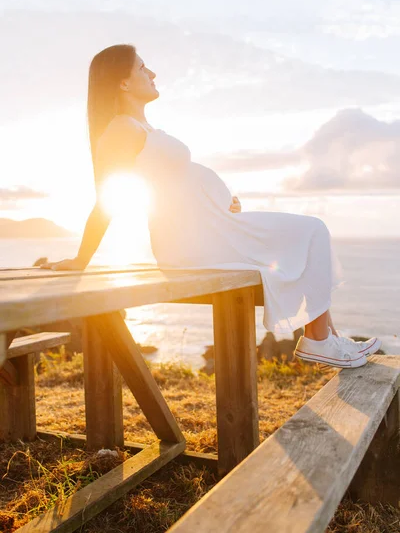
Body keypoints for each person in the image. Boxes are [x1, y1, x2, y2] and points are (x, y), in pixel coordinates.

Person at [40, 44, 381, 368]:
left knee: (305, 238)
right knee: (310, 231)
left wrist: (217, 200)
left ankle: (328, 338)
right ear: (124, 82)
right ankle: (319, 341)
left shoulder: (142, 127)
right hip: (190, 245)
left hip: (212, 227)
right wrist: (81, 260)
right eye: (143, 67)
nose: (153, 73)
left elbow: (175, 185)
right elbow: (108, 198)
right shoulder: (121, 129)